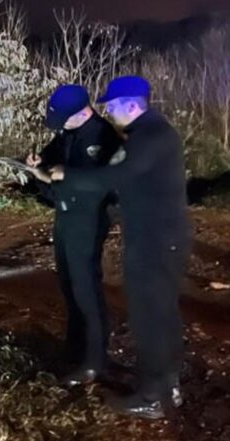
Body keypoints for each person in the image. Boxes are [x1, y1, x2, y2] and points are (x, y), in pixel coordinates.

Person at [51, 76, 191, 419]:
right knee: (161, 313)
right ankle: (167, 386)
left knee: (149, 318)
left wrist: (64, 176)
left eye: (112, 106)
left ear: (131, 104)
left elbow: (115, 177)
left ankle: (153, 396)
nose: (108, 112)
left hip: (155, 240)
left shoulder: (149, 136)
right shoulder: (152, 133)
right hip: (160, 236)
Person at [26, 84, 122, 387]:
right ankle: (76, 347)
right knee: (69, 284)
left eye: (64, 120)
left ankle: (94, 361)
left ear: (82, 112)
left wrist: (63, 177)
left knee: (86, 289)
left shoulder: (104, 138)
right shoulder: (69, 131)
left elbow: (105, 185)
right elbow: (54, 153)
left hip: (89, 220)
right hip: (65, 216)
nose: (61, 127)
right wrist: (37, 161)